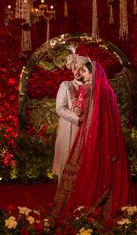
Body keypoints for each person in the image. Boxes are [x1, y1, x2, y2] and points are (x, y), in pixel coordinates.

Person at [54, 60, 135, 219]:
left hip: (90, 134)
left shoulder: (86, 88)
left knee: (85, 169)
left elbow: (79, 112)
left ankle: (81, 208)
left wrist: (75, 100)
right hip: (103, 137)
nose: (81, 73)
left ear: (93, 73)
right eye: (78, 69)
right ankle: (108, 208)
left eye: (83, 70)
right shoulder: (106, 90)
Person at [52, 47, 91, 183]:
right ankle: (64, 202)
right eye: (75, 68)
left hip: (88, 131)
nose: (77, 72)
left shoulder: (92, 86)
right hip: (70, 129)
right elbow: (60, 108)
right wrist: (78, 119)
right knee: (67, 165)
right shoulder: (66, 85)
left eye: (81, 69)